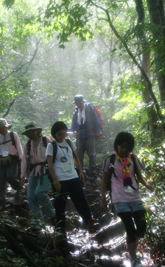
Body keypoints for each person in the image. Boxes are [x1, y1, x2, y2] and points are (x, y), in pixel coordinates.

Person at [100, 132, 154, 267]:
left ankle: (132, 243)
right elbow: (104, 180)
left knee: (142, 227)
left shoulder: (133, 159)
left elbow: (139, 176)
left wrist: (146, 184)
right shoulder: (110, 160)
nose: (124, 150)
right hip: (119, 199)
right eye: (122, 147)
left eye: (127, 147)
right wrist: (103, 199)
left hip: (135, 197)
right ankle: (134, 259)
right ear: (116, 146)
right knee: (129, 228)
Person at [46, 121, 100, 233]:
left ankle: (89, 220)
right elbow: (50, 164)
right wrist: (55, 179)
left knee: (81, 200)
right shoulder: (51, 146)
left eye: (63, 133)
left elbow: (75, 158)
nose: (61, 136)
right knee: (60, 204)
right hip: (60, 179)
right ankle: (61, 227)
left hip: (73, 177)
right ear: (54, 134)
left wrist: (80, 171)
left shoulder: (70, 143)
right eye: (59, 134)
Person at [20, 122, 55, 222]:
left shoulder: (46, 140)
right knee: (30, 196)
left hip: (46, 170)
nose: (31, 133)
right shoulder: (28, 145)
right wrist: (23, 176)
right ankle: (38, 221)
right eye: (29, 132)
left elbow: (53, 156)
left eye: (33, 131)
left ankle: (52, 215)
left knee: (40, 193)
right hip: (33, 172)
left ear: (37, 131)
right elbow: (25, 160)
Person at [0, 118, 24, 207]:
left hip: (12, 159)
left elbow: (19, 148)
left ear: (6, 127)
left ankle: (19, 189)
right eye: (0, 129)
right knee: (0, 180)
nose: (2, 130)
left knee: (10, 176)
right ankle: (1, 201)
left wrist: (22, 161)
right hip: (0, 160)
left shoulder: (13, 135)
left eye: (3, 128)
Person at [71, 95, 102, 179]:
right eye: (77, 104)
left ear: (83, 102)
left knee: (92, 153)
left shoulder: (89, 110)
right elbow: (73, 126)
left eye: (80, 103)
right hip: (80, 135)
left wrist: (98, 130)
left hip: (90, 133)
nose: (78, 105)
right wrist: (69, 130)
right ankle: (79, 171)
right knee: (79, 154)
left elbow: (97, 121)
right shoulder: (76, 113)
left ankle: (93, 171)